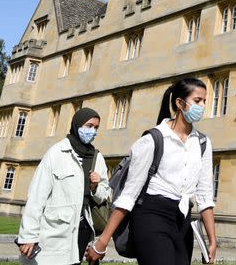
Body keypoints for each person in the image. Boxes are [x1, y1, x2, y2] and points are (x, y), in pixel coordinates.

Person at [87, 78, 217, 265]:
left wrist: (212, 241)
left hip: (183, 222)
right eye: (198, 101)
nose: (203, 106)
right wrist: (103, 241)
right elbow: (129, 195)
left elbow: (205, 195)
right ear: (180, 103)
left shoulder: (203, 143)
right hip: (151, 216)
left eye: (204, 101)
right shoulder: (152, 139)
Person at [17, 108, 109, 264]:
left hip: (82, 230)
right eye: (89, 126)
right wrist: (28, 236)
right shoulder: (56, 153)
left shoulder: (97, 157)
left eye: (96, 127)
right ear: (77, 125)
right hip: (54, 230)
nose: (92, 131)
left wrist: (95, 187)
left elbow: (105, 195)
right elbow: (36, 196)